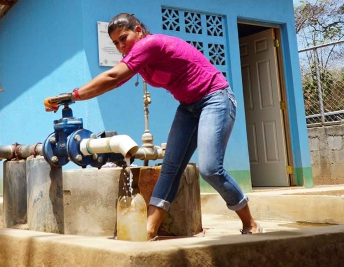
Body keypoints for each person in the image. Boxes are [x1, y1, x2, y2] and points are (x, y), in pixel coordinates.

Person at [43, 12, 264, 240]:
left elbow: (112, 77)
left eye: (124, 38)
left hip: (215, 98)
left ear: (138, 31)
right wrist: (69, 99)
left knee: (210, 168)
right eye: (115, 43)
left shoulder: (151, 43)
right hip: (188, 107)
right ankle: (150, 230)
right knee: (170, 168)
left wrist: (72, 95)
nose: (120, 46)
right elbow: (112, 83)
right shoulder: (140, 61)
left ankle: (250, 223)